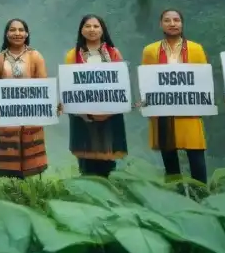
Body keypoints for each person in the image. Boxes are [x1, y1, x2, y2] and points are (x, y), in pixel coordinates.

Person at [140, 10, 208, 185]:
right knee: (170, 160)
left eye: (176, 20)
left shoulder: (195, 48)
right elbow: (147, 80)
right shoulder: (150, 51)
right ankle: (176, 197)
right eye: (167, 20)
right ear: (160, 24)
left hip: (190, 110)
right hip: (163, 112)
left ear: (182, 24)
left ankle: (201, 195)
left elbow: (202, 79)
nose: (172, 24)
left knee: (196, 156)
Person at [62, 15, 128, 178]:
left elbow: (120, 82)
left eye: (96, 26)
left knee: (107, 162)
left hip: (109, 113)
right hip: (82, 115)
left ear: (102, 30)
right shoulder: (73, 55)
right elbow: (69, 84)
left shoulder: (113, 53)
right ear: (81, 30)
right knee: (85, 161)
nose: (92, 30)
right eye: (88, 26)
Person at [0, 19, 50, 179]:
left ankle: (31, 189)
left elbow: (43, 85)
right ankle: (12, 188)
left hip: (31, 112)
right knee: (10, 154)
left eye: (21, 30)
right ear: (6, 33)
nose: (17, 33)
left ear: (27, 33)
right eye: (13, 30)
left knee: (32, 152)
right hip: (7, 114)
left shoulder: (35, 56)